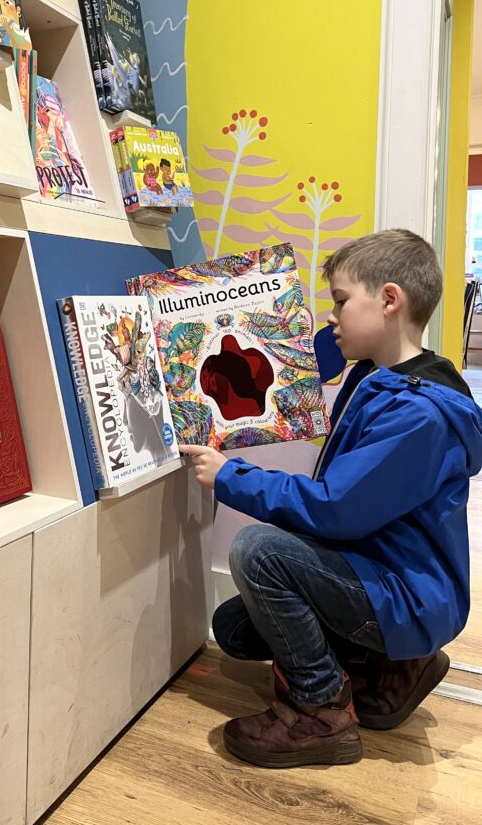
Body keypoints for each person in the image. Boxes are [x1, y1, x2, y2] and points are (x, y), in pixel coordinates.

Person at [180, 229, 482, 769]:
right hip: (378, 573)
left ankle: (320, 711)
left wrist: (230, 477)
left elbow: (334, 508)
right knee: (234, 629)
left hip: (405, 593)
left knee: (257, 552)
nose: (332, 316)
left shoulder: (419, 415)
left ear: (389, 300)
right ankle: (391, 665)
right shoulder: (374, 378)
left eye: (341, 301)